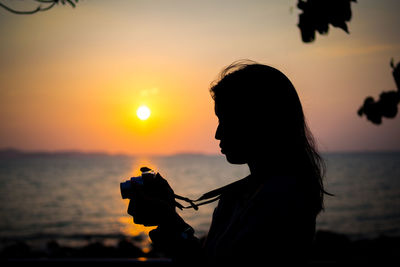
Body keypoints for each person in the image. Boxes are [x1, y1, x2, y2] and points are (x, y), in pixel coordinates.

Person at [127, 60, 328, 264]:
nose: (218, 133)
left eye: (227, 120)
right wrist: (168, 218)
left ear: (260, 120)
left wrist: (168, 221)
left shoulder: (282, 198)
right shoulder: (243, 195)